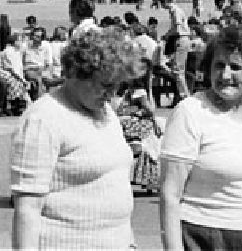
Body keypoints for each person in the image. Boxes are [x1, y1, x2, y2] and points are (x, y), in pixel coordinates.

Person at [159, 25, 242, 251]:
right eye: (218, 65)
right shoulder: (191, 111)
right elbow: (170, 194)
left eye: (235, 67)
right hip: (208, 237)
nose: (225, 75)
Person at [11, 27, 143, 249]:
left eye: (117, 86)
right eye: (106, 85)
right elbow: (27, 210)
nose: (112, 94)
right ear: (77, 73)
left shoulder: (105, 113)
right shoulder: (42, 119)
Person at [115, 61, 163, 192]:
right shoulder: (141, 91)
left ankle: (147, 176)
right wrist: (151, 89)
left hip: (127, 122)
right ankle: (150, 177)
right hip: (132, 124)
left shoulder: (130, 90)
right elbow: (152, 109)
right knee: (155, 139)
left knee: (155, 132)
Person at [161, 0, 193, 102]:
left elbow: (177, 28)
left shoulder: (175, 11)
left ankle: (185, 95)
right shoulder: (175, 11)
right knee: (178, 70)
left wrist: (167, 35)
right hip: (181, 39)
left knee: (178, 71)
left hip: (181, 39)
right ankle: (183, 94)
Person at [0, 31, 31, 116]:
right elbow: (13, 70)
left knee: (20, 83)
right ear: (14, 42)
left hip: (11, 74)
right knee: (17, 83)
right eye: (20, 40)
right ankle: (15, 106)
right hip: (6, 74)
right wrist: (23, 80)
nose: (21, 43)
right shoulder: (9, 52)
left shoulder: (16, 52)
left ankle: (18, 106)